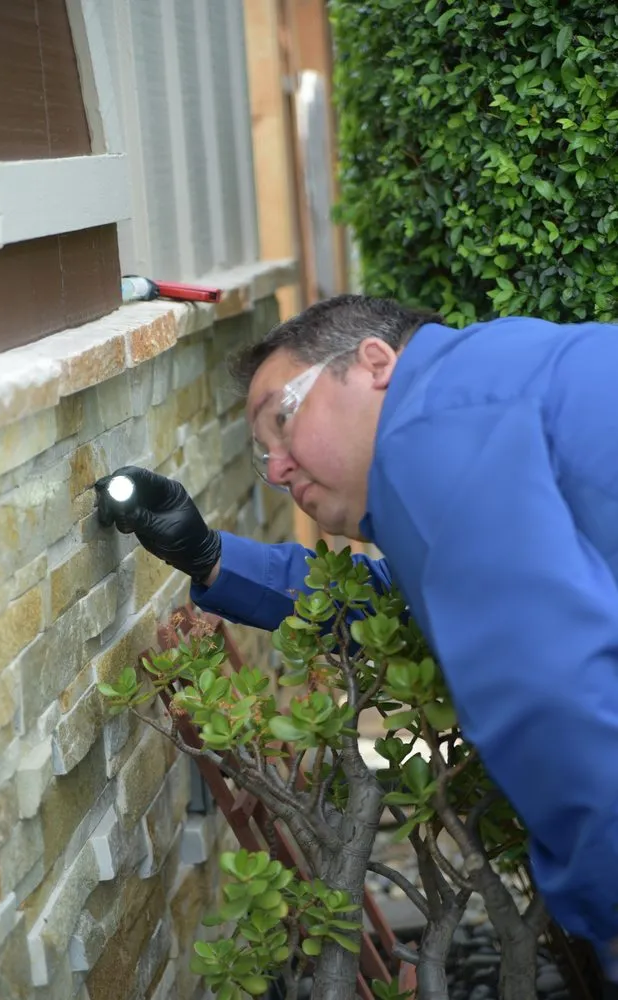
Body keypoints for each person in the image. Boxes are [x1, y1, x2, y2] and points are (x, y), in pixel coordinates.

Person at [95, 294, 618, 986]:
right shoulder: (485, 384)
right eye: (264, 456)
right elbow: (397, 600)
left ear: (375, 363)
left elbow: (549, 697)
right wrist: (211, 558)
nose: (279, 470)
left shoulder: (426, 436)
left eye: (284, 419)